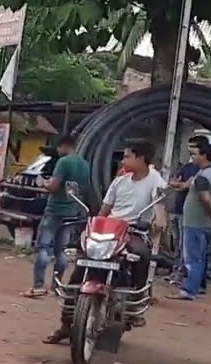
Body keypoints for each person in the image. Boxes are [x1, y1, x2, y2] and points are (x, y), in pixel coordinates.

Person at [45, 140, 165, 344]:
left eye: (127, 156)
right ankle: (66, 324)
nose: (123, 160)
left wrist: (159, 221)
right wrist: (92, 227)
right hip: (110, 230)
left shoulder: (155, 180)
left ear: (141, 158)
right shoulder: (119, 182)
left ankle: (135, 301)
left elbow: (160, 207)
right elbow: (104, 210)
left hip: (134, 230)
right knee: (81, 266)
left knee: (141, 253)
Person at [25, 135, 91, 297]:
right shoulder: (84, 164)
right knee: (61, 250)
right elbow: (84, 188)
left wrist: (44, 183)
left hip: (55, 209)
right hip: (72, 211)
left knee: (43, 247)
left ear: (63, 146)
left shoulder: (64, 162)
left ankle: (39, 285)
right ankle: (56, 286)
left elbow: (54, 186)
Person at [169, 141, 211, 301]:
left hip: (196, 222)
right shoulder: (209, 173)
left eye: (196, 153)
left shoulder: (204, 177)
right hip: (201, 222)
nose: (193, 157)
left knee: (192, 257)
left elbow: (205, 198)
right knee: (200, 256)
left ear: (204, 156)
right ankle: (199, 286)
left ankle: (189, 290)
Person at [166, 136, 205, 284]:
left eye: (193, 147)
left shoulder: (201, 171)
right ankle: (176, 271)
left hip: (187, 213)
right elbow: (173, 181)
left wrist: (178, 184)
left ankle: (182, 275)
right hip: (177, 209)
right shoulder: (186, 167)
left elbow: (182, 185)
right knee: (176, 244)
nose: (190, 150)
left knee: (185, 246)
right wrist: (177, 183)